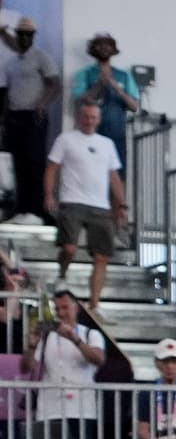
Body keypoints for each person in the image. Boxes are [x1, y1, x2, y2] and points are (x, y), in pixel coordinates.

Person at [46, 97, 127, 314]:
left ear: (98, 119)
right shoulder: (66, 139)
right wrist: (49, 195)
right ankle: (62, 274)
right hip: (72, 200)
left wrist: (121, 205)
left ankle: (95, 304)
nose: (89, 121)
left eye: (93, 117)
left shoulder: (107, 144)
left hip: (100, 205)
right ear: (79, 118)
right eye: (86, 117)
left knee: (102, 256)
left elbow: (114, 177)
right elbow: (52, 168)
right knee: (69, 247)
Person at [24, 289, 108, 439]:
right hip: (49, 410)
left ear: (76, 308)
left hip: (82, 410)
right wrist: (32, 345)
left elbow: (99, 359)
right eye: (57, 309)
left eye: (65, 308)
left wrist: (74, 339)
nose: (61, 313)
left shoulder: (90, 334)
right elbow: (26, 368)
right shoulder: (46, 336)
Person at [3, 14, 60, 224]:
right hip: (15, 116)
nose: (25, 38)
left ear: (33, 36)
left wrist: (42, 104)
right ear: (17, 35)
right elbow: (8, 92)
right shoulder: (11, 63)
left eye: (29, 34)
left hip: (34, 116)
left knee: (34, 162)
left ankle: (37, 210)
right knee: (17, 163)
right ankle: (21, 209)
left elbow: (55, 84)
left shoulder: (41, 57)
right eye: (22, 34)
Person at [69, 33, 139, 175]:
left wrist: (116, 87)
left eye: (108, 45)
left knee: (117, 175)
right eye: (100, 45)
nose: (104, 48)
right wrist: (100, 83)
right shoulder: (85, 73)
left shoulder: (124, 75)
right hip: (90, 134)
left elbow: (134, 106)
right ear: (93, 49)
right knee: (90, 173)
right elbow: (80, 100)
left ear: (113, 50)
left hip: (117, 135)